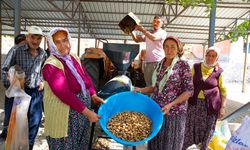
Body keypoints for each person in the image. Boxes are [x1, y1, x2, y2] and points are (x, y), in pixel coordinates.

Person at [42, 27, 104, 150]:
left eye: (65, 40)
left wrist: (92, 94)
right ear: (51, 45)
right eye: (57, 42)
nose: (63, 45)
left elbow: (85, 77)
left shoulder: (73, 57)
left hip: (80, 112)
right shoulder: (51, 65)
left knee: (81, 143)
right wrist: (87, 112)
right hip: (66, 116)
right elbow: (63, 93)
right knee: (66, 145)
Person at [134, 36, 193, 150]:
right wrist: (140, 90)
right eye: (166, 46)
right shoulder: (159, 65)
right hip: (157, 110)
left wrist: (170, 105)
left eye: (172, 47)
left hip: (174, 113)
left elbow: (189, 91)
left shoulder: (182, 65)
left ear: (178, 49)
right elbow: (155, 87)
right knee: (156, 142)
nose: (169, 50)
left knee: (170, 144)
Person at [1, 26, 47, 149]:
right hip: (19, 92)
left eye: (38, 38)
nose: (35, 41)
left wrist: (42, 81)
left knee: (35, 121)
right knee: (17, 125)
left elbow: (45, 70)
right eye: (32, 37)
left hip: (36, 92)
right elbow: (4, 69)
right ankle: (14, 147)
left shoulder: (42, 53)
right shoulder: (16, 50)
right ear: (27, 37)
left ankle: (29, 145)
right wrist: (10, 83)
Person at [183, 46, 227, 150]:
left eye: (213, 56)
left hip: (211, 106)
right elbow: (188, 83)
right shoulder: (196, 67)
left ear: (217, 58)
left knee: (207, 128)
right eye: (208, 55)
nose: (210, 58)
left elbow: (224, 91)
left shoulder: (219, 72)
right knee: (191, 127)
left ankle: (203, 148)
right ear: (205, 55)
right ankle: (190, 148)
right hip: (194, 104)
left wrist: (223, 107)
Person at [0, 33, 27, 140]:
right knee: (11, 109)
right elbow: (5, 68)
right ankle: (7, 132)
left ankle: (13, 132)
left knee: (17, 110)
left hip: (21, 88)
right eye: (24, 41)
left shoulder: (29, 51)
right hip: (14, 87)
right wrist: (8, 84)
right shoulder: (15, 50)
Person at [131, 15, 167, 86]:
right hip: (148, 63)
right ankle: (149, 97)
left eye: (158, 22)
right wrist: (131, 29)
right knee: (148, 84)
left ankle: (153, 97)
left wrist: (142, 30)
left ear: (162, 24)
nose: (155, 23)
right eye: (154, 21)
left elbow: (153, 38)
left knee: (156, 85)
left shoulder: (162, 32)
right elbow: (137, 39)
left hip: (158, 62)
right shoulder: (149, 33)